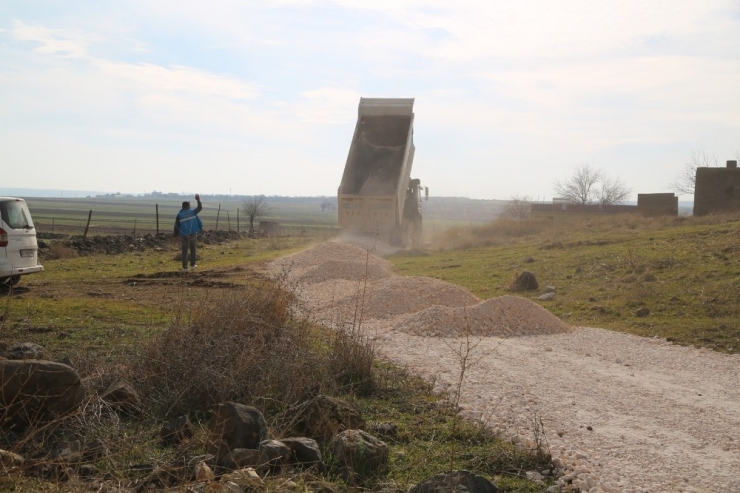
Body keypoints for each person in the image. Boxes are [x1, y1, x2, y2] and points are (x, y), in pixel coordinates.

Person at [174, 194, 203, 271]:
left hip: (183, 234)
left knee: (184, 251)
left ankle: (184, 267)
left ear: (182, 206)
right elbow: (200, 208)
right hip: (193, 233)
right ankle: (193, 265)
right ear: (188, 206)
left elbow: (176, 226)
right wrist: (198, 200)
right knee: (193, 249)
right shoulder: (192, 212)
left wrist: (175, 236)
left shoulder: (179, 215)